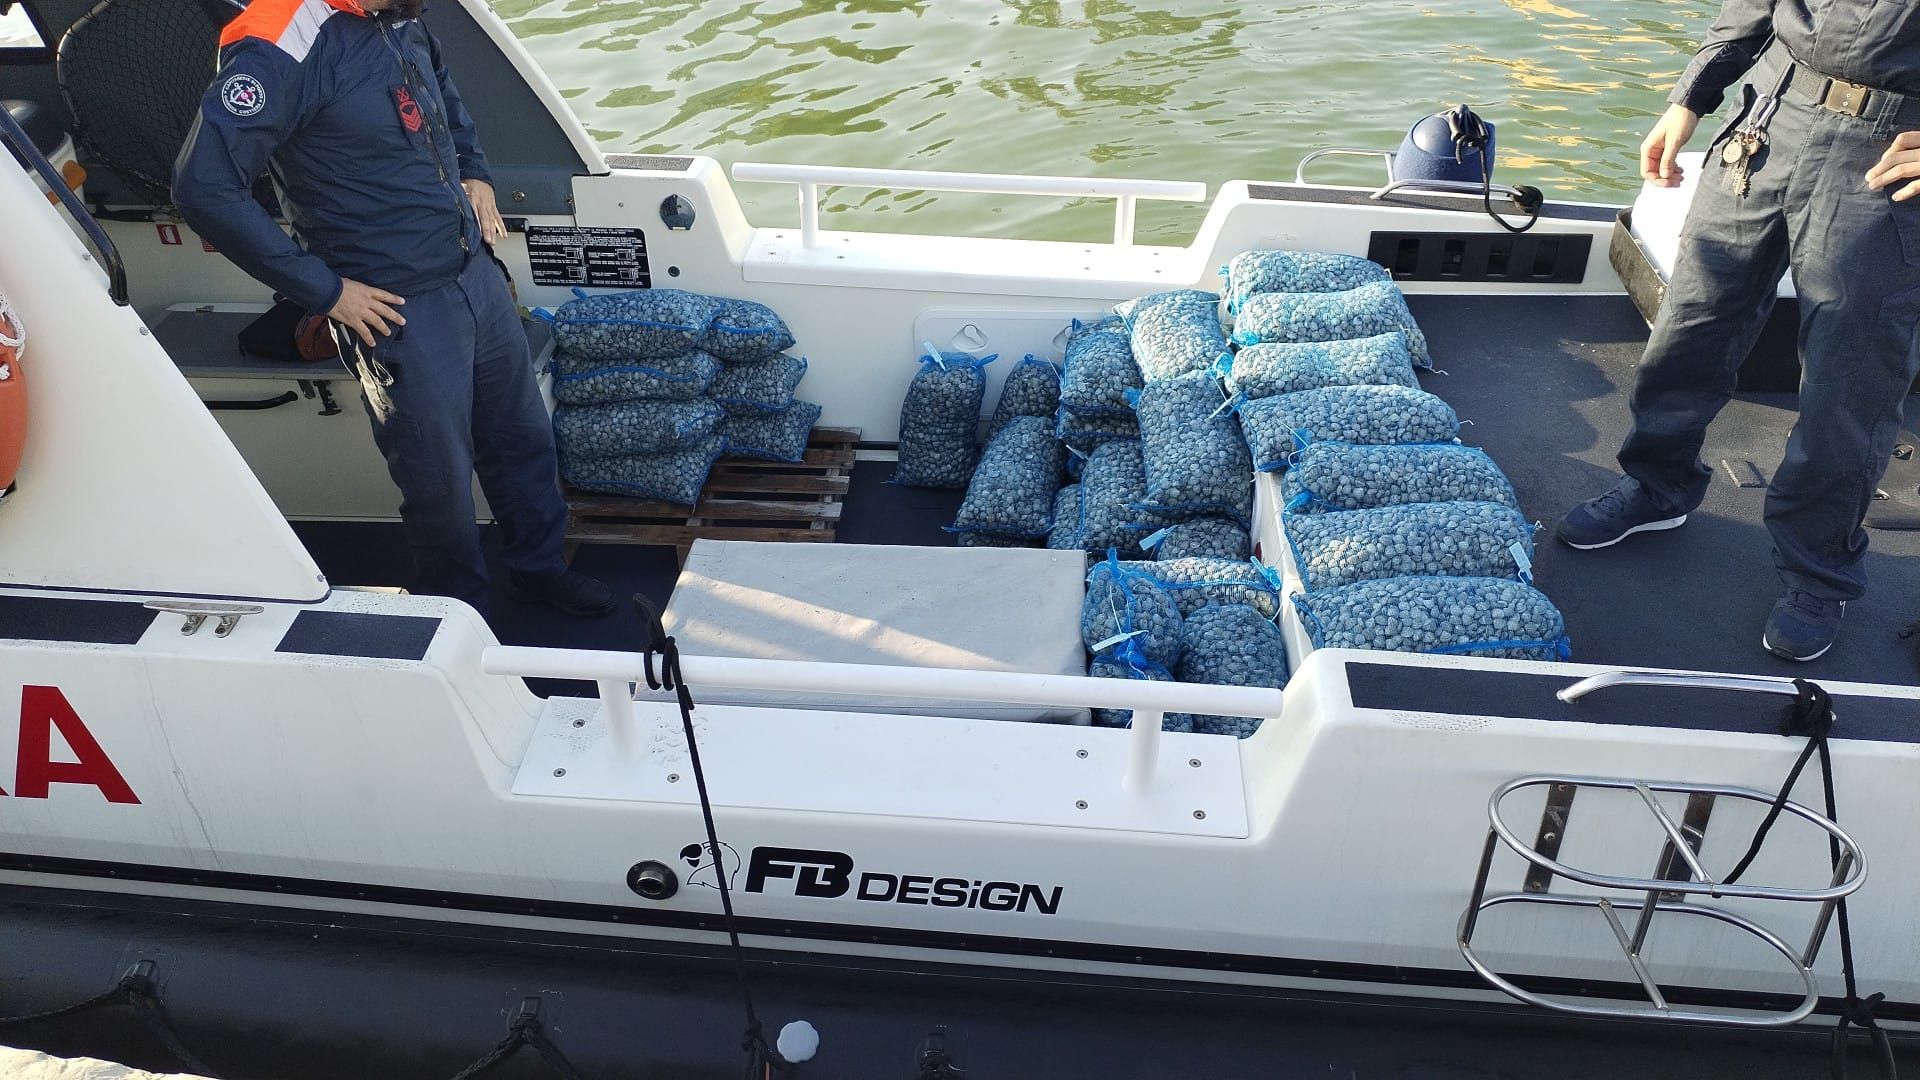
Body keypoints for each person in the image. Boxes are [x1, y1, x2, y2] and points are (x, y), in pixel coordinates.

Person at [173, 0, 614, 618]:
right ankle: (459, 622)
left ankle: (539, 572)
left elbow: (440, 90)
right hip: (396, 309)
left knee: (522, 440)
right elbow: (203, 187)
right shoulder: (279, 44)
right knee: (439, 485)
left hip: (473, 275)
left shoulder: (400, 13)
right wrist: (326, 292)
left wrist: (476, 170)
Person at [1557, 0, 1920, 661]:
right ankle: (1657, 484)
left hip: (1887, 151)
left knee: (1848, 384)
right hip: (1768, 116)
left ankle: (1818, 573)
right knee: (1691, 324)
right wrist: (1690, 98)